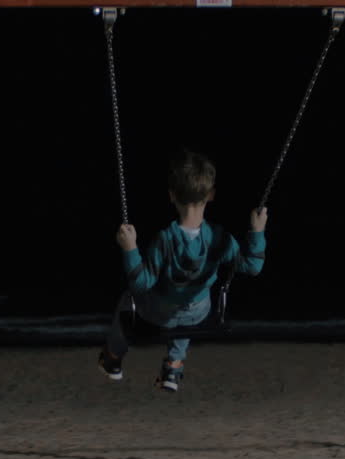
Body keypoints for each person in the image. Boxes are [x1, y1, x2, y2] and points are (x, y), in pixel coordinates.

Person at [98, 149, 267, 391]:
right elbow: (253, 266)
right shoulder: (220, 239)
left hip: (159, 312)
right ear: (211, 195)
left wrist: (130, 248)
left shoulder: (165, 240)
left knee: (129, 299)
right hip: (199, 312)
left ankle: (113, 359)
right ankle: (173, 367)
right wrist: (257, 231)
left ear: (171, 196)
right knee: (189, 300)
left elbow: (140, 283)